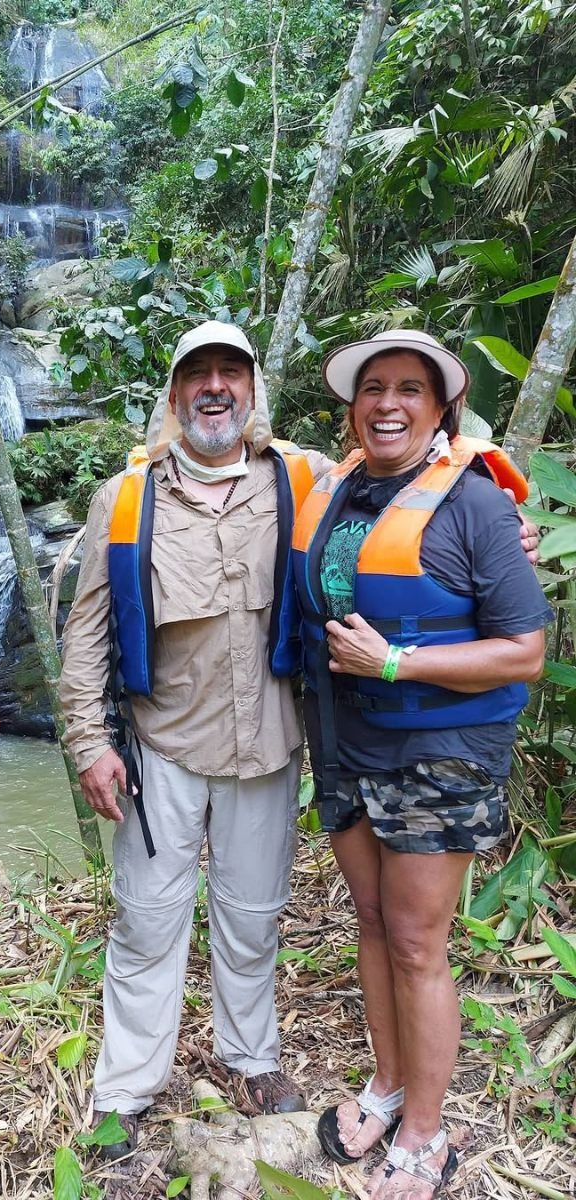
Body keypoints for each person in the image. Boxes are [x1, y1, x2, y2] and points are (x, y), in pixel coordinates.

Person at [59, 321, 540, 1163]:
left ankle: (252, 1059)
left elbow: (426, 478)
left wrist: (507, 527)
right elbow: (87, 630)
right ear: (174, 398)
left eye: (231, 375)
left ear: (254, 392)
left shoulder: (305, 476)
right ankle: (125, 1088)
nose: (215, 389)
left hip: (272, 745)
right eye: (197, 376)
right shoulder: (126, 497)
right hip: (161, 744)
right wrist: (87, 742)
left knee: (253, 919)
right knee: (147, 921)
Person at [292, 330, 552, 1200]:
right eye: (373, 388)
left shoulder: (475, 505)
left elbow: (524, 652)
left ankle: (428, 1132)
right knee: (371, 921)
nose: (388, 403)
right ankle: (388, 1085)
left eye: (411, 389)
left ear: (443, 410)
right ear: (351, 406)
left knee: (415, 941)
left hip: (441, 749)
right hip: (351, 740)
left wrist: (398, 664)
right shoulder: (338, 488)